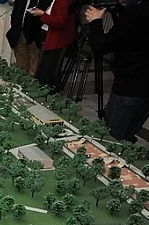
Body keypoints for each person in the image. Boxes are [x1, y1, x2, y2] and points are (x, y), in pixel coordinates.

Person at [85, 0, 149, 141]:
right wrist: (117, 8)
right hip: (143, 87)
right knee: (127, 134)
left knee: (110, 139)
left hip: (129, 88)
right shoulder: (139, 11)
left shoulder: (135, 15)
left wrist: (95, 22)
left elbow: (100, 46)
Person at [30, 0, 76, 90]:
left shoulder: (62, 1)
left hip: (55, 41)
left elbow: (60, 22)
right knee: (47, 71)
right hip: (52, 38)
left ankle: (46, 94)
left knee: (47, 74)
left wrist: (42, 14)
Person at [6, 0, 52, 75]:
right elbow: (15, 13)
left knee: (34, 69)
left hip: (37, 37)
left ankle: (31, 81)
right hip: (20, 34)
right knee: (21, 67)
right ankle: (21, 81)